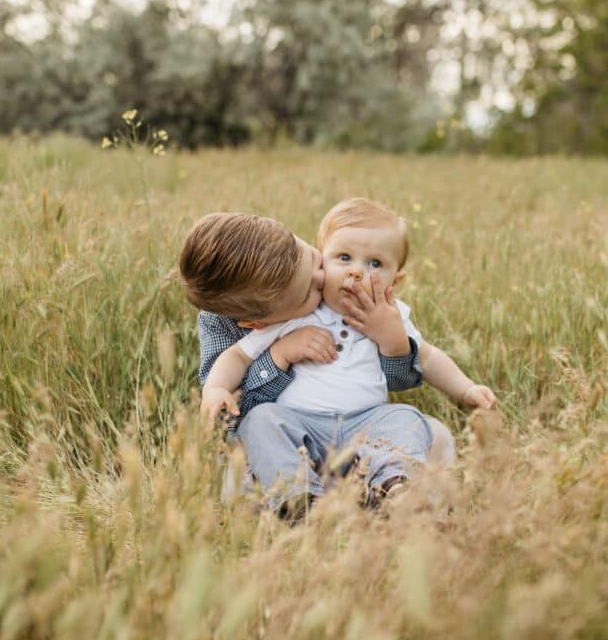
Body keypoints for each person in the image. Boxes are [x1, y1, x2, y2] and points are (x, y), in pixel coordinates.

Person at [194, 199, 495, 511]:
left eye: (375, 264)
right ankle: (297, 497)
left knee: (406, 418)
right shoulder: (297, 312)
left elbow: (429, 359)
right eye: (344, 258)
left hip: (366, 424)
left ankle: (393, 486)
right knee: (260, 420)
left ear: (395, 280)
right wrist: (215, 388)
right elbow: (237, 356)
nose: (356, 272)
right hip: (301, 426)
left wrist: (465, 388)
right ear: (323, 258)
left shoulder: (393, 316)